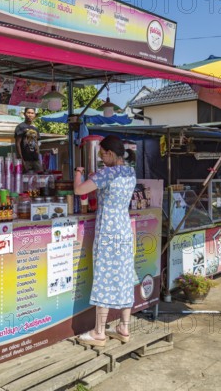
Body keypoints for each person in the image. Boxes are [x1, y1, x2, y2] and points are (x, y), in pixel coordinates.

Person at [73, 135, 136, 347]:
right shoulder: (129, 171)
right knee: (125, 276)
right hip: (124, 228)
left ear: (110, 153)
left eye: (102, 154)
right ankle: (124, 328)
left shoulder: (106, 173)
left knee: (104, 278)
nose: (101, 158)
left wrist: (78, 174)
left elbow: (79, 190)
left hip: (108, 228)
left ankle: (99, 332)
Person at [14, 108, 43, 173]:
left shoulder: (35, 128)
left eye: (32, 113)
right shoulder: (20, 127)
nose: (30, 115)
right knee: (25, 179)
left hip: (35, 159)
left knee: (40, 177)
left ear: (34, 115)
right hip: (25, 159)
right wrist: (21, 160)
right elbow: (17, 144)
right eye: (28, 113)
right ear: (24, 114)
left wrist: (39, 158)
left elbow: (37, 144)